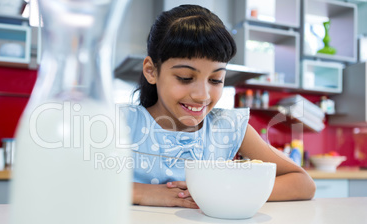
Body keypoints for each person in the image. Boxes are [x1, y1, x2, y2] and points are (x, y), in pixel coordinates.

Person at [120, 4, 316, 209]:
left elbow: (303, 183)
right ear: (151, 71)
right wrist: (139, 191)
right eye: (185, 78)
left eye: (215, 80)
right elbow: (83, 183)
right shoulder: (121, 122)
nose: (202, 95)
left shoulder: (227, 127)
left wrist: (227, 189)